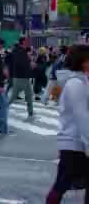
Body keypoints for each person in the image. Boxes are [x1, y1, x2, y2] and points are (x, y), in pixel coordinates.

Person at [46, 44, 89, 203]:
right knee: (61, 184)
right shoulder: (76, 84)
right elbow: (82, 116)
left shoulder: (80, 81)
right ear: (83, 61)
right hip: (75, 142)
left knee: (61, 184)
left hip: (74, 142)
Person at [9, 37, 34, 118]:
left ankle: (30, 112)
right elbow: (20, 63)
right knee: (13, 96)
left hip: (24, 77)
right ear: (23, 42)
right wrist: (30, 65)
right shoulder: (19, 51)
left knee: (29, 95)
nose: (29, 43)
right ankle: (3, 107)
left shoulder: (21, 51)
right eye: (27, 41)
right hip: (20, 77)